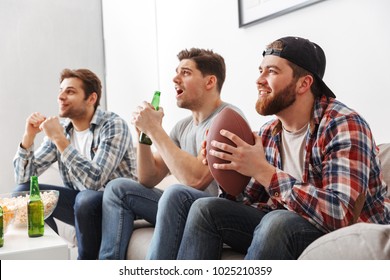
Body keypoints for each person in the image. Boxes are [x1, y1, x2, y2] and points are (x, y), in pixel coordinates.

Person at [148, 36, 390, 260]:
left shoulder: (343, 124)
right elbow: (246, 201)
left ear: (304, 83)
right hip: (281, 224)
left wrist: (265, 172)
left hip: (343, 234)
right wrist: (226, 163)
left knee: (278, 221)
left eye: (272, 71)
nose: (259, 80)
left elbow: (341, 215)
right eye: (260, 70)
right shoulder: (269, 132)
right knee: (205, 208)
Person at [98, 48, 242, 259]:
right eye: (176, 72)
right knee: (118, 188)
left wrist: (155, 129)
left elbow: (196, 180)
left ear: (210, 82)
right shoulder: (182, 126)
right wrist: (144, 137)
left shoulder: (228, 119)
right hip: (182, 205)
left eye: (185, 72)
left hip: (212, 211)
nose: (175, 78)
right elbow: (148, 178)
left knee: (176, 193)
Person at [13, 68, 137, 259]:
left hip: (115, 206)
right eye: (61, 91)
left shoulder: (113, 125)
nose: (61, 97)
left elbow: (94, 183)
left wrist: (59, 139)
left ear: (91, 98)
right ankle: (51, 256)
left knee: (86, 198)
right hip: (81, 206)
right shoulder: (63, 129)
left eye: (70, 91)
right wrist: (28, 137)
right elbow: (24, 178)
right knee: (23, 193)